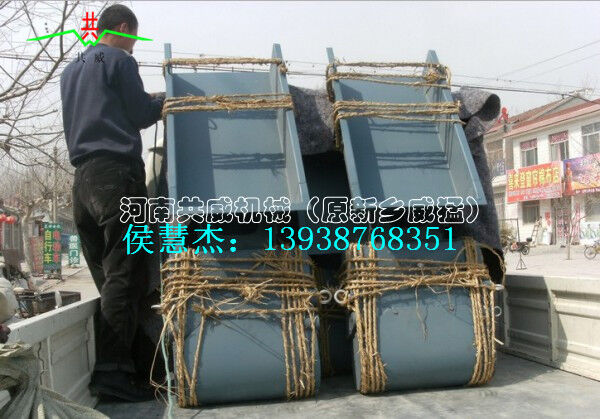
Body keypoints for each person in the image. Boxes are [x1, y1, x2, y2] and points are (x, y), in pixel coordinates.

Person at [60, 4, 164, 401]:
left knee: (110, 279)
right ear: (123, 29)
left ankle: (133, 369)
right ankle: (112, 375)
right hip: (117, 176)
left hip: (83, 182)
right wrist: (166, 101)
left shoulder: (71, 69)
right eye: (133, 38)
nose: (134, 46)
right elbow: (139, 114)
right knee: (127, 274)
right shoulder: (119, 59)